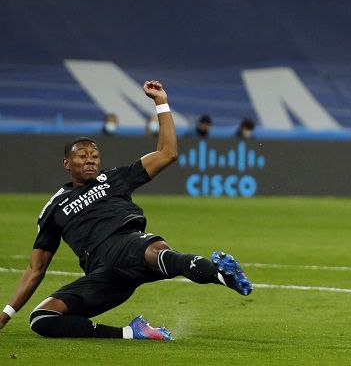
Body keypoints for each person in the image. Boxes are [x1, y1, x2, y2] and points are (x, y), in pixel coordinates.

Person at [0, 80, 252, 340]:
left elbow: (167, 153)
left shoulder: (113, 178)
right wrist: (6, 314)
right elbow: (36, 269)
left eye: (94, 156)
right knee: (42, 318)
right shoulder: (53, 208)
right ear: (67, 163)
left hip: (127, 243)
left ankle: (223, 276)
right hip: (104, 275)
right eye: (82, 155)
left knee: (159, 254)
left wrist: (161, 103)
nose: (90, 159)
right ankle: (132, 333)